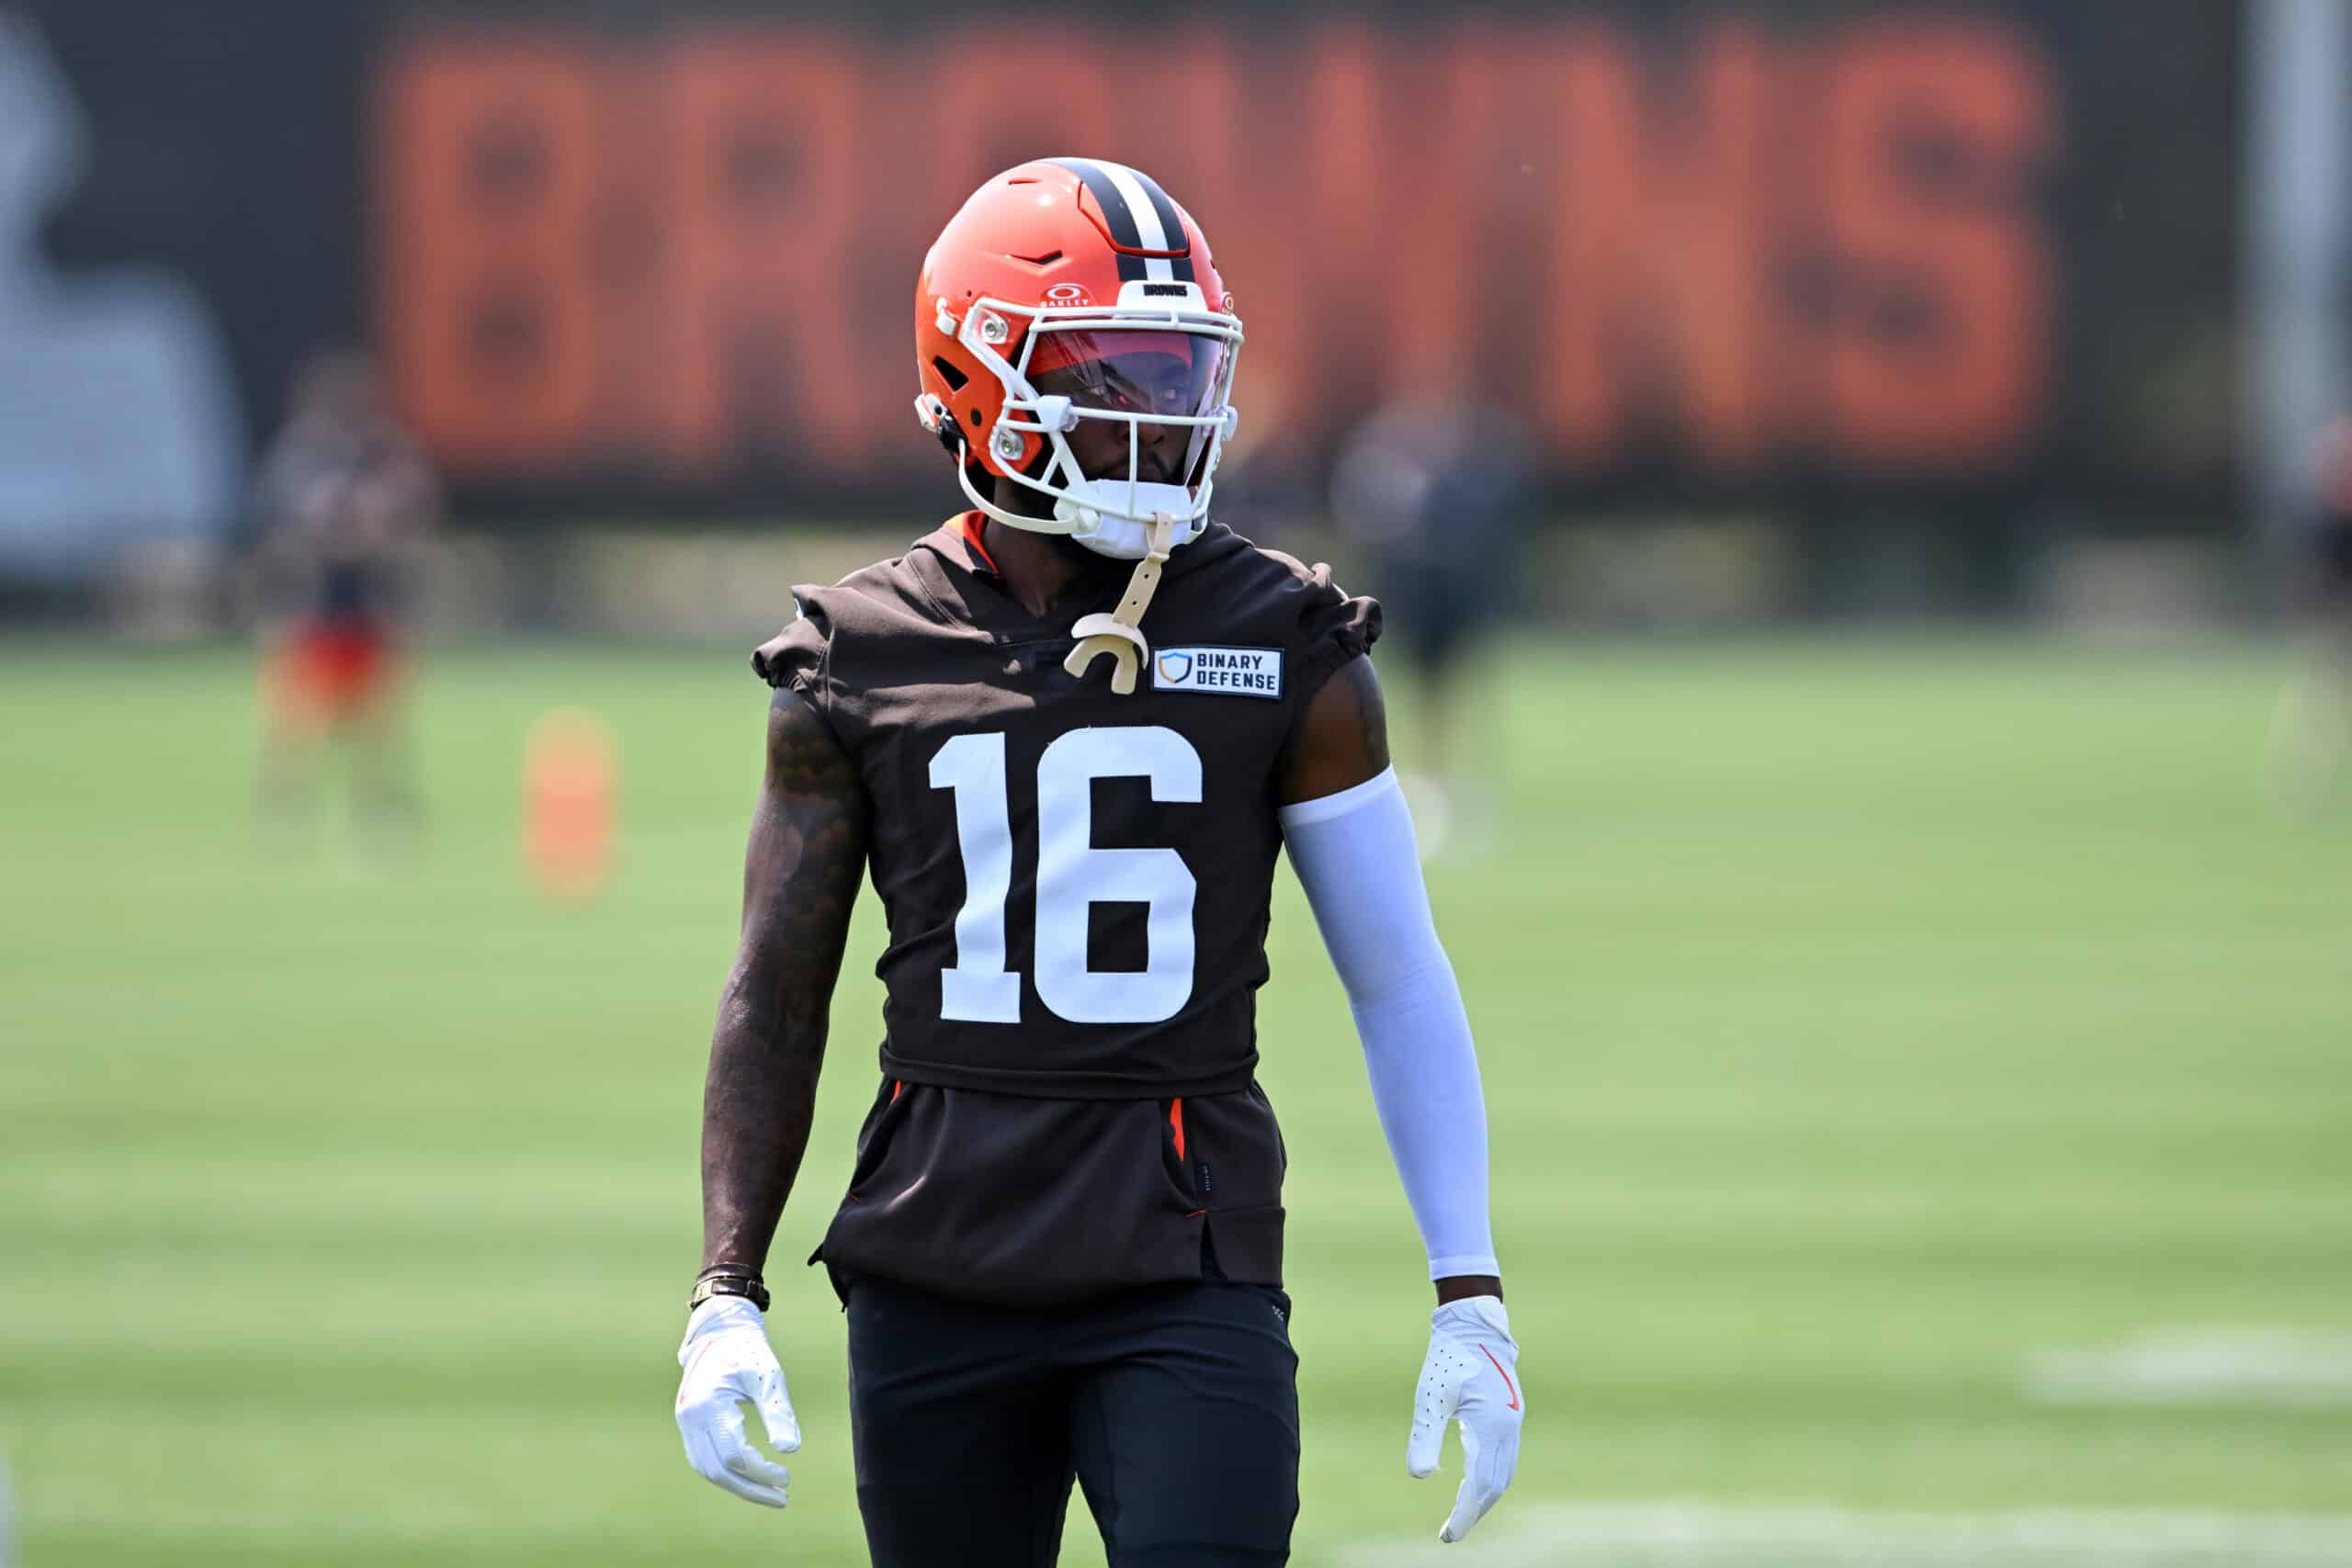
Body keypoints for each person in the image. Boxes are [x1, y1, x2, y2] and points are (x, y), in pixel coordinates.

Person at [673, 159, 1523, 1565]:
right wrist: (725, 1286)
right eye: (1110, 373)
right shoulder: (858, 658)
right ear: (973, 378)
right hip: (933, 1263)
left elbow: (1397, 975)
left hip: (1183, 1265)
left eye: (1180, 375)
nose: (1161, 416)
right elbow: (774, 994)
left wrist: (1470, 1287)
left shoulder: (1288, 643)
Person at [1329, 384, 1530, 856]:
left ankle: (1466, 783)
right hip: (1419, 602)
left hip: (1454, 602)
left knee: (1462, 693)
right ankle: (1421, 784)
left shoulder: (1470, 475)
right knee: (1411, 697)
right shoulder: (1389, 470)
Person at [250, 349, 438, 839]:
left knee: (376, 724)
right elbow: (290, 526)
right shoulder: (302, 455)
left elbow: (408, 511)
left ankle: (379, 807)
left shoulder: (382, 452)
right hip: (313, 609)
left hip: (368, 608)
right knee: (296, 722)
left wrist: (373, 523)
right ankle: (284, 808)